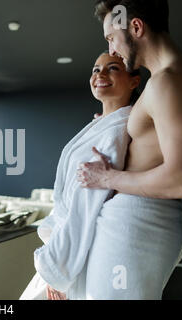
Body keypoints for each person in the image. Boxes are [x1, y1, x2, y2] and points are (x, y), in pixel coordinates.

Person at [76, 0, 182, 299]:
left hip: (139, 223)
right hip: (137, 222)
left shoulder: (168, 82)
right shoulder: (168, 79)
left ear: (136, 27)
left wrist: (107, 178)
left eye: (110, 38)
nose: (112, 49)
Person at [20, 52, 141, 300]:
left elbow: (87, 204)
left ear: (134, 81)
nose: (100, 75)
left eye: (113, 68)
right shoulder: (102, 125)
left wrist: (58, 272)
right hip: (65, 243)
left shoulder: (118, 131)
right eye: (96, 69)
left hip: (75, 252)